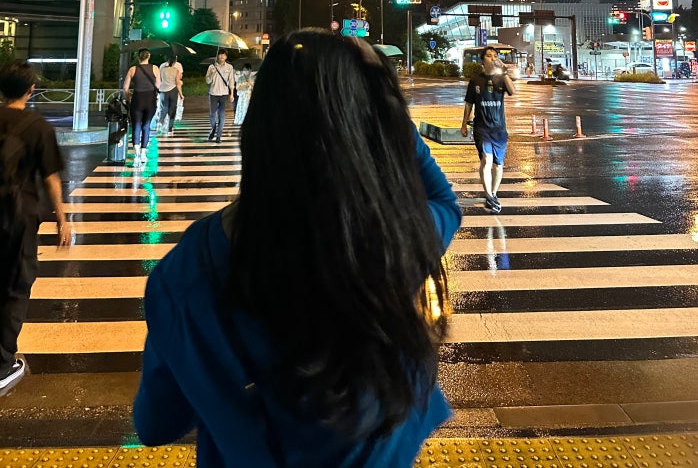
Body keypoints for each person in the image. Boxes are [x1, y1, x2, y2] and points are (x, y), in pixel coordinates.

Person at [134, 30, 461, 466]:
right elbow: (445, 203)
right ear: (363, 125)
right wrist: (383, 103)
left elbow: (155, 424)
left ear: (259, 124)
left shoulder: (186, 272)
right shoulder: (386, 238)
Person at [0, 60, 72, 397]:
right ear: (31, 89)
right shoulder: (39, 126)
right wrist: (62, 218)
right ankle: (3, 366)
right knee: (16, 286)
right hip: (20, 217)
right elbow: (50, 177)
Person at [460, 46, 514, 214]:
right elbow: (469, 103)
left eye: (495, 56)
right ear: (483, 60)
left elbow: (512, 91)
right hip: (482, 127)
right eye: (489, 56)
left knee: (498, 165)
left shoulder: (501, 79)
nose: (493, 58)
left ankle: (493, 194)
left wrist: (504, 71)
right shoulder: (475, 80)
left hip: (499, 129)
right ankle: (489, 195)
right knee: (486, 159)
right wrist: (464, 123)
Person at [123, 49, 160, 167]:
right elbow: (158, 85)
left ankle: (136, 154)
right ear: (149, 56)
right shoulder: (155, 68)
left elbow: (125, 88)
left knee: (136, 126)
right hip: (150, 100)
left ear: (138, 57)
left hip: (137, 100)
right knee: (146, 126)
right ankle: (144, 153)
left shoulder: (132, 69)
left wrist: (128, 99)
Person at [205, 50, 235, 144]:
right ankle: (213, 129)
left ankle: (218, 136)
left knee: (221, 115)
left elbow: (231, 81)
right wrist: (211, 73)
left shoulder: (229, 67)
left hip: (224, 94)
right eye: (220, 54)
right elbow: (207, 81)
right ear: (217, 56)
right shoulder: (212, 67)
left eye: (224, 55)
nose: (222, 56)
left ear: (226, 57)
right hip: (213, 93)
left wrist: (232, 94)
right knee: (212, 114)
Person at [158, 55, 183, 136]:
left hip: (163, 90)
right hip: (173, 90)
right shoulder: (176, 70)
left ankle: (160, 123)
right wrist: (181, 94)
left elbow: (159, 80)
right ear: (175, 61)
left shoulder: (162, 69)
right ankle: (169, 130)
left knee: (163, 108)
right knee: (172, 110)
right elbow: (177, 83)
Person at [232, 63, 252, 127]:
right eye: (244, 70)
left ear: (250, 70)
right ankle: (242, 121)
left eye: (246, 70)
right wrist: (245, 84)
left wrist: (251, 84)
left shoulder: (253, 78)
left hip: (250, 97)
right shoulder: (240, 78)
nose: (245, 71)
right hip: (242, 97)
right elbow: (237, 87)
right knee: (242, 109)